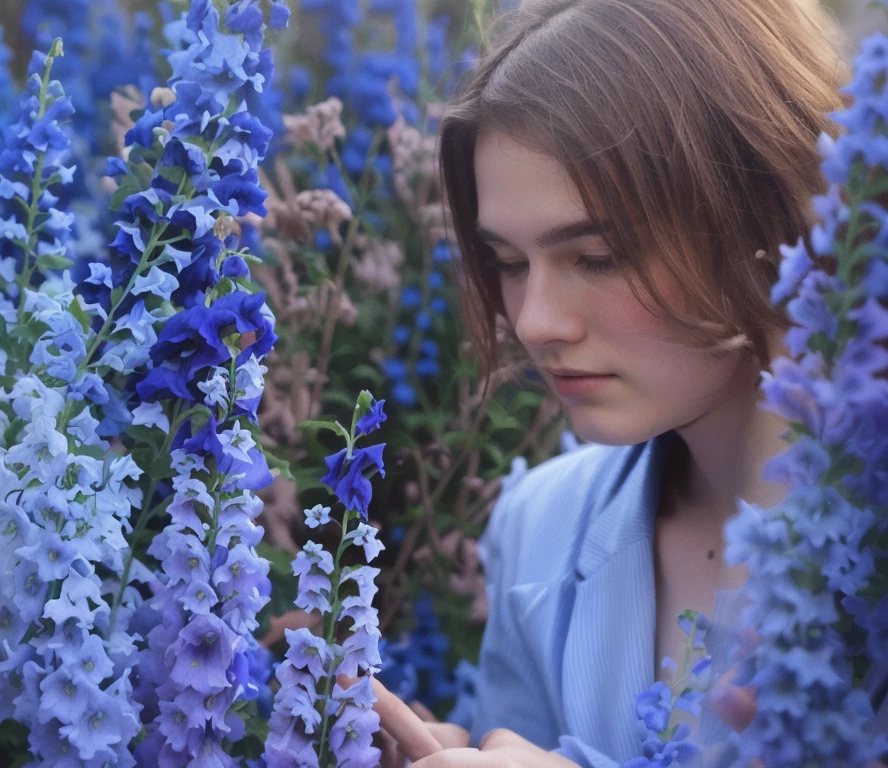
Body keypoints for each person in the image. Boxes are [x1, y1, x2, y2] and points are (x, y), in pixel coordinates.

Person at [368, 0, 884, 765]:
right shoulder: (540, 527)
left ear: (763, 216)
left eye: (598, 256)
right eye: (507, 264)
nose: (535, 321)